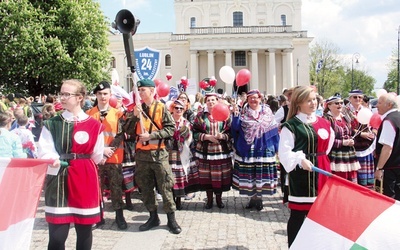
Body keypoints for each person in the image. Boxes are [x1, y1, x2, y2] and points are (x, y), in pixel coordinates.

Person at [37, 79, 104, 250]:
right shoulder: (52, 124)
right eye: (61, 93)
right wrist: (54, 158)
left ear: (80, 97)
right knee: (57, 236)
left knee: (84, 232)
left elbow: (97, 154)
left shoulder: (94, 125)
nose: (62, 97)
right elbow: (44, 149)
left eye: (67, 94)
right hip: (59, 177)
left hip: (84, 177)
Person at [278, 86, 334, 247]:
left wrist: (319, 159)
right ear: (299, 103)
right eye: (308, 100)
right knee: (298, 213)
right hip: (302, 175)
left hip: (322, 171)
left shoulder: (324, 122)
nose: (313, 103)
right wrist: (300, 159)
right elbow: (284, 152)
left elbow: (327, 146)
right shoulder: (291, 125)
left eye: (314, 99)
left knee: (320, 214)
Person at [131, 78, 182, 234]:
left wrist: (152, 136)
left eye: (143, 90)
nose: (140, 93)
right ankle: (153, 217)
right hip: (142, 156)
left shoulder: (161, 108)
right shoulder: (136, 109)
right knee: (145, 188)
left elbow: (170, 129)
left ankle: (171, 220)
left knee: (165, 186)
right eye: (138, 90)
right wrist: (133, 116)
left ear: (152, 91)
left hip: (158, 155)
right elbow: (127, 129)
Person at [86, 81, 127, 230]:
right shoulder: (89, 114)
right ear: (95, 95)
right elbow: (87, 137)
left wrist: (109, 149)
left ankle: (119, 216)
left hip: (114, 157)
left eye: (105, 94)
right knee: (97, 188)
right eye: (100, 94)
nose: (103, 97)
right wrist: (101, 150)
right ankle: (98, 217)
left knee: (116, 188)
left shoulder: (118, 113)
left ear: (110, 95)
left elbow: (120, 134)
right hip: (96, 157)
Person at [231, 89, 280, 211]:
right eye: (250, 98)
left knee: (261, 174)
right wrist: (235, 115)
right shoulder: (242, 113)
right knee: (250, 175)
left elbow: (274, 132)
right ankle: (253, 198)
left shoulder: (268, 113)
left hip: (264, 147)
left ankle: (259, 198)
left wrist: (277, 148)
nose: (253, 100)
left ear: (260, 98)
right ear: (247, 100)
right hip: (248, 148)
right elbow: (235, 129)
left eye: (255, 97)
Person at [192, 92, 233, 209]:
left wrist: (222, 136)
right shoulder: (200, 116)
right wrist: (207, 137)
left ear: (217, 101)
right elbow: (194, 132)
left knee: (219, 176)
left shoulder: (225, 115)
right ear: (205, 102)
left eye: (213, 100)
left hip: (221, 151)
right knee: (207, 176)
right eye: (208, 100)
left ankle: (219, 199)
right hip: (205, 151)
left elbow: (231, 133)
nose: (211, 102)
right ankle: (209, 200)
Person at [323, 94, 360, 182]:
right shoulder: (326, 119)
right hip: (335, 155)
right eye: (336, 103)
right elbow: (326, 140)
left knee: (351, 182)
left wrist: (352, 140)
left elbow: (351, 132)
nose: (340, 105)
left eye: (341, 103)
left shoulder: (345, 118)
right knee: (338, 181)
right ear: (329, 106)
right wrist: (343, 142)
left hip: (349, 154)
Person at [343, 89, 375, 188]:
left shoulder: (365, 110)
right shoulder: (345, 110)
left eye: (360, 97)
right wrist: (361, 134)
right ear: (350, 98)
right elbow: (347, 127)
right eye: (355, 97)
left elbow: (370, 124)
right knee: (355, 173)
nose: (358, 99)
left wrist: (372, 133)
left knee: (365, 173)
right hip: (353, 144)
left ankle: (366, 189)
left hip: (366, 145)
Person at [168, 99, 194, 210]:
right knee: (170, 176)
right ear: (172, 109)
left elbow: (189, 137)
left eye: (181, 108)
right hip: (169, 152)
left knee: (180, 176)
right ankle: (171, 199)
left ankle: (178, 200)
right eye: (176, 108)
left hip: (181, 151)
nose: (178, 110)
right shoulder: (168, 121)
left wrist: (182, 139)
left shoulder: (186, 123)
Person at [374, 93, 400, 200]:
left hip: (390, 169)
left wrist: (379, 168)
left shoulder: (389, 121)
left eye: (380, 103)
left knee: (388, 199)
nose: (376, 106)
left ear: (389, 105)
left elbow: (387, 148)